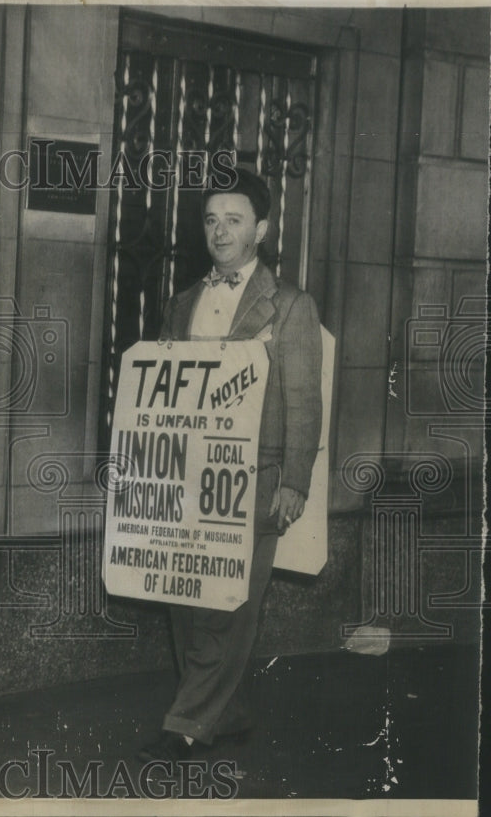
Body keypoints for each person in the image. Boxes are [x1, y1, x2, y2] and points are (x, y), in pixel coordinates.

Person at [138, 168, 322, 762]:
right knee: (183, 597)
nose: (220, 230)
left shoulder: (290, 306)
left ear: (261, 230)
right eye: (212, 219)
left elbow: (304, 400)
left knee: (227, 605)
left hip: (256, 480)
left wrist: (295, 481)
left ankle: (187, 722)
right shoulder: (182, 302)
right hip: (185, 478)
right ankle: (229, 710)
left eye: (234, 219)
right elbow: (157, 393)